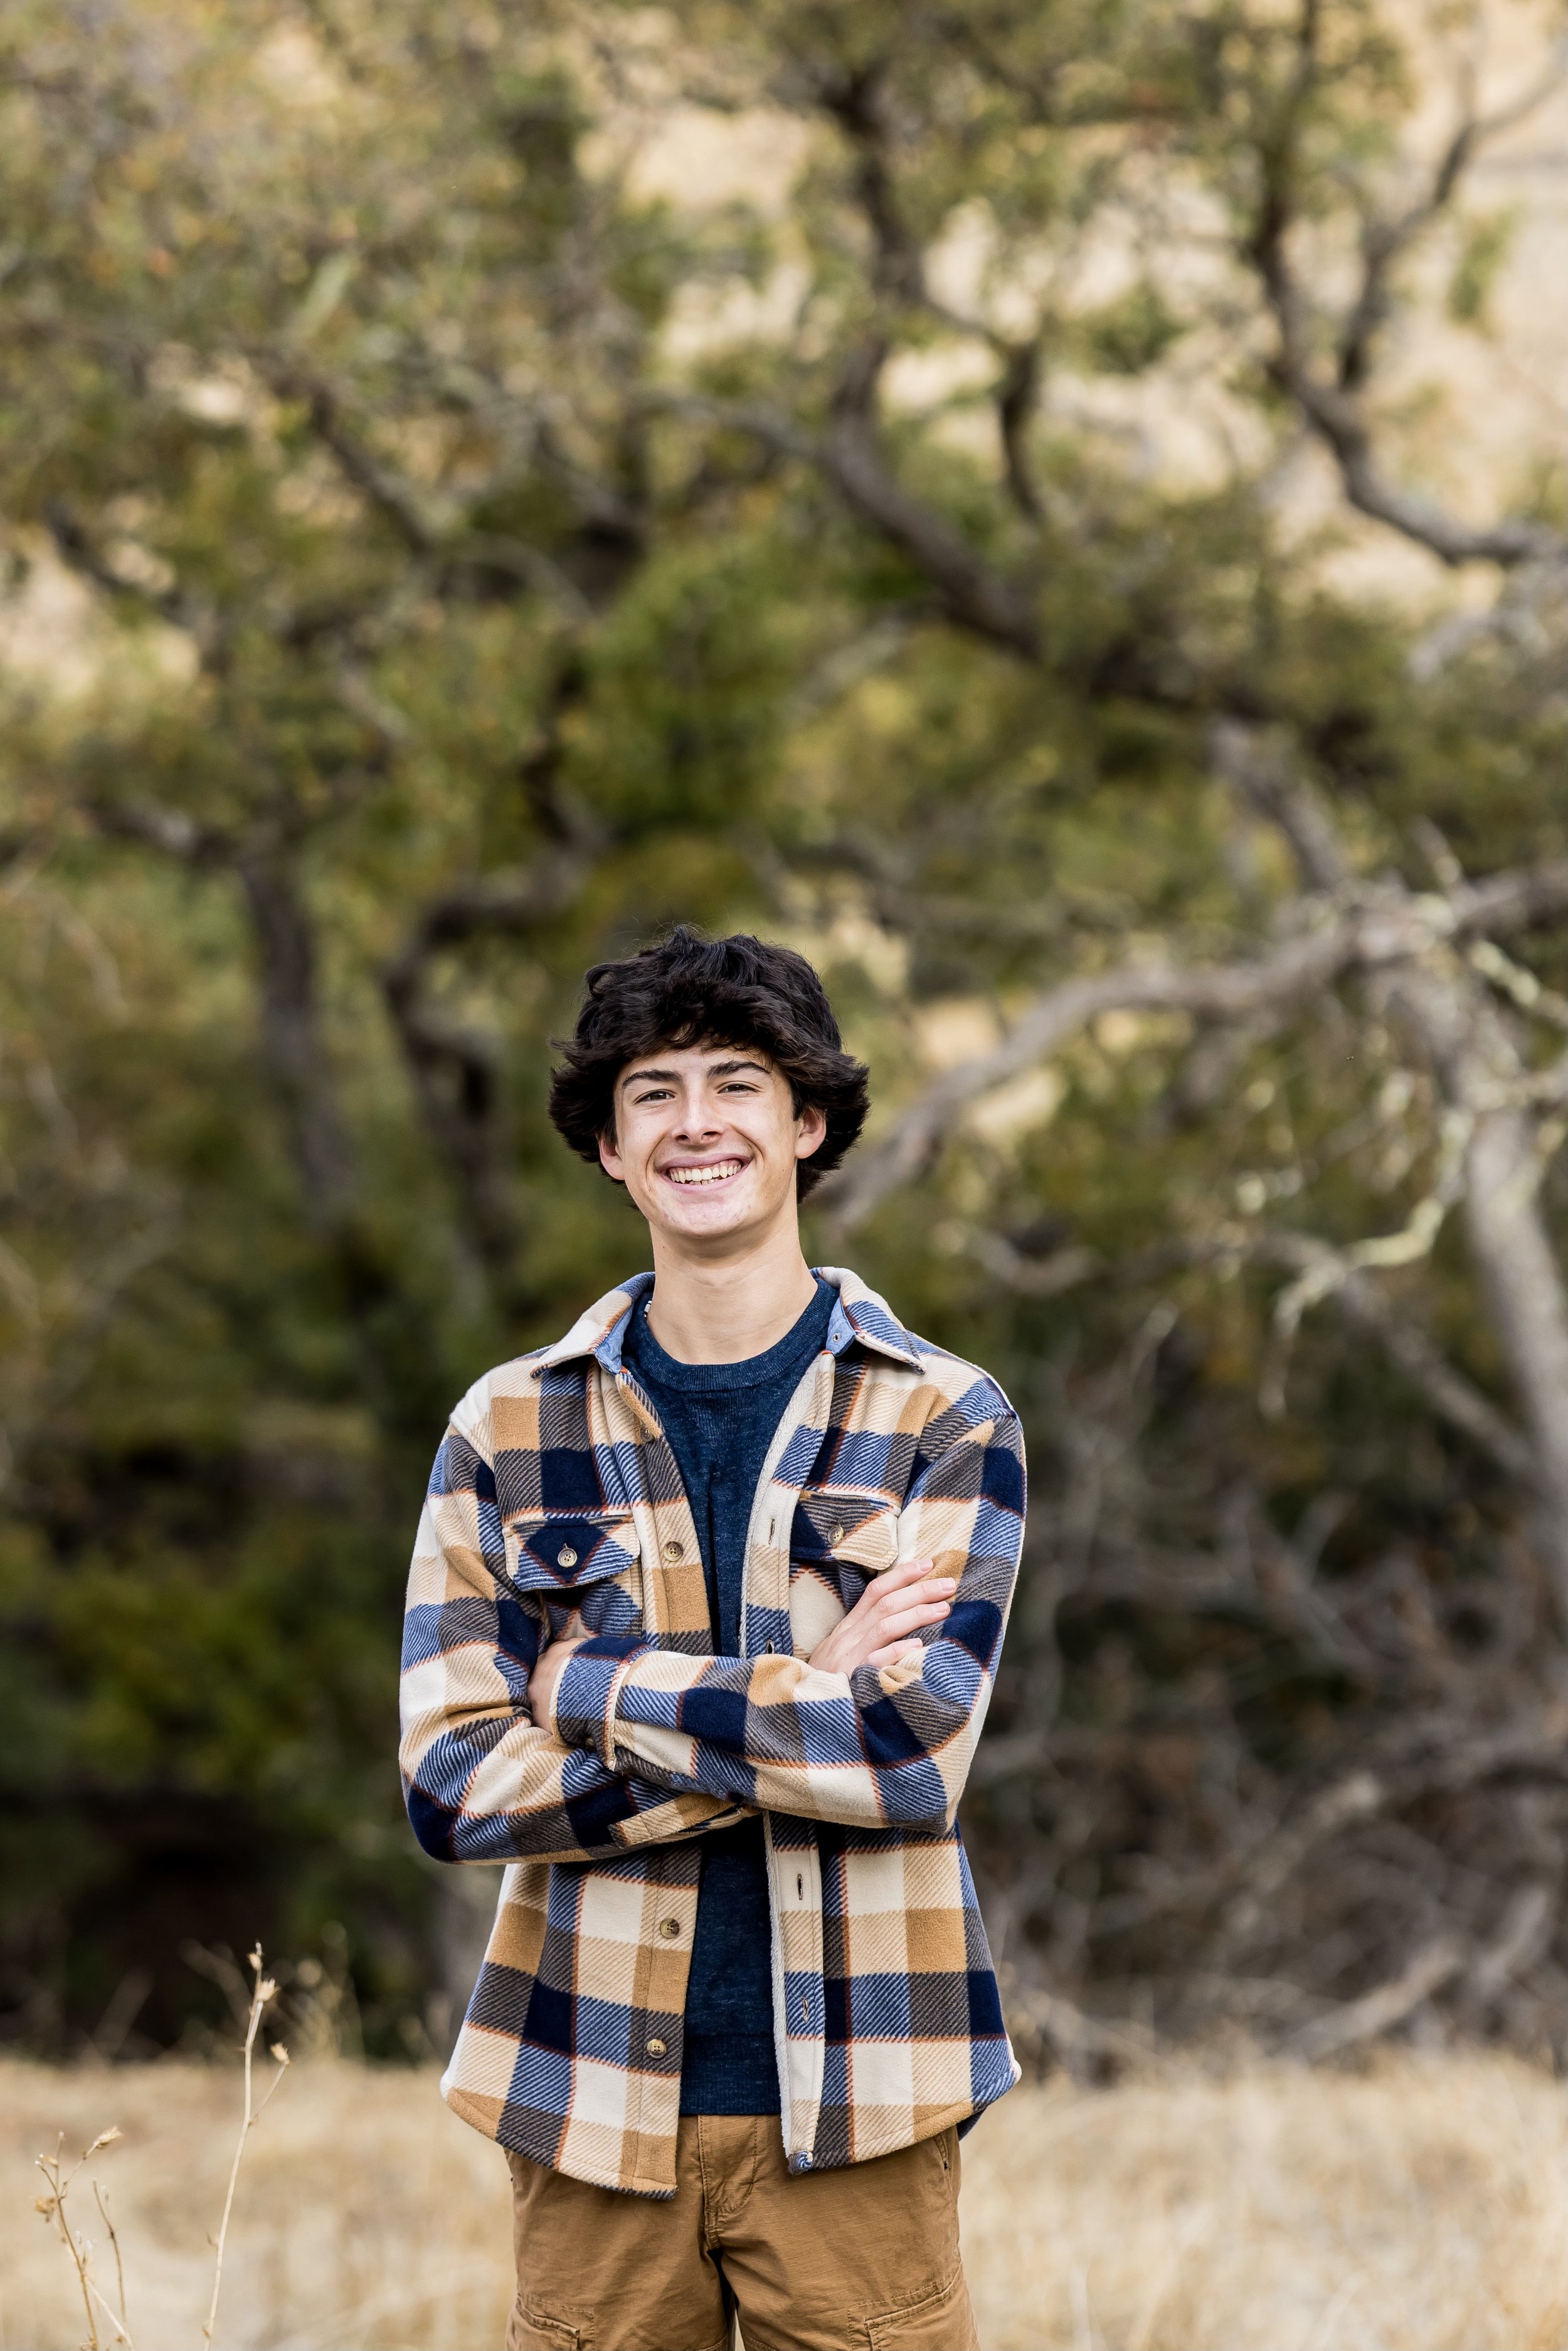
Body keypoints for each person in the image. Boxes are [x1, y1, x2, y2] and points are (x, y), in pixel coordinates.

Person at [400, 927, 1026, 2351]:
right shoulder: (506, 1427)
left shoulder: (943, 1416)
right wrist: (803, 1703)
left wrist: (584, 1685)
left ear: (806, 1124)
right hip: (583, 2093)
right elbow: (450, 1783)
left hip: (867, 2097)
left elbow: (909, 1754)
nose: (696, 1123)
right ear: (609, 1149)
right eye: (653, 1093)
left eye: (737, 1083)